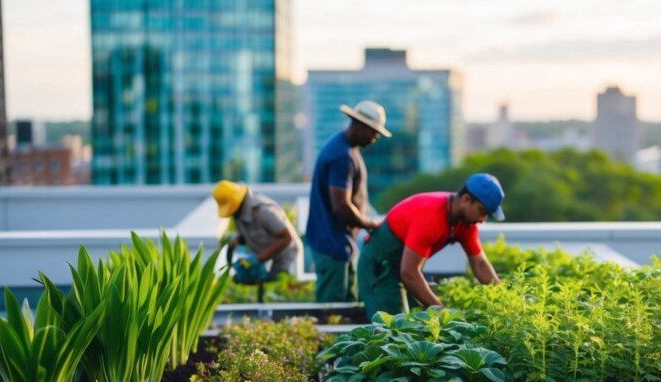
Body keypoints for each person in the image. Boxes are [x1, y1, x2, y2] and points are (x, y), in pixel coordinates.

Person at [357, 173, 505, 318]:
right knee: (395, 331)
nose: (483, 219)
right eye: (482, 212)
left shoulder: (466, 223)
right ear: (466, 199)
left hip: (404, 269)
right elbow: (409, 273)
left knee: (418, 326)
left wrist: (504, 298)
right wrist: (442, 311)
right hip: (380, 267)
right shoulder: (431, 216)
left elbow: (479, 263)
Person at [305, 100, 390, 303]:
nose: (375, 138)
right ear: (359, 125)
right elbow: (341, 206)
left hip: (338, 244)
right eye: (373, 131)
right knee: (333, 311)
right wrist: (370, 224)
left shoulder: (345, 149)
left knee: (347, 305)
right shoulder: (341, 156)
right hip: (332, 245)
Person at [212, 180, 301, 283]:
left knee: (281, 288)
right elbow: (253, 232)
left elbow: (286, 237)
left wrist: (258, 259)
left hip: (286, 255)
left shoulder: (264, 211)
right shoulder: (238, 213)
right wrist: (239, 241)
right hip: (265, 255)